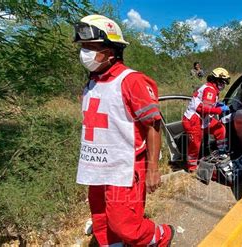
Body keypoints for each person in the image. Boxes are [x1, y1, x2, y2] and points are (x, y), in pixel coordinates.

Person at [74, 14, 173, 246]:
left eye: (91, 46)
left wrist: (153, 169)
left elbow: (153, 125)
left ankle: (161, 235)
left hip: (125, 167)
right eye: (83, 46)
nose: (85, 52)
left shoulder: (132, 81)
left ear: (111, 51)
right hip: (97, 167)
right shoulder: (92, 82)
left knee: (125, 226)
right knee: (101, 219)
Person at [182, 67, 231, 171]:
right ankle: (192, 167)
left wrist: (217, 104)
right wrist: (219, 110)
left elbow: (206, 104)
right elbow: (205, 109)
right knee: (195, 144)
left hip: (202, 119)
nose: (223, 85)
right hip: (194, 120)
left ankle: (221, 152)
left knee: (220, 129)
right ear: (216, 80)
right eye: (223, 82)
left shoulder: (212, 89)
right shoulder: (210, 89)